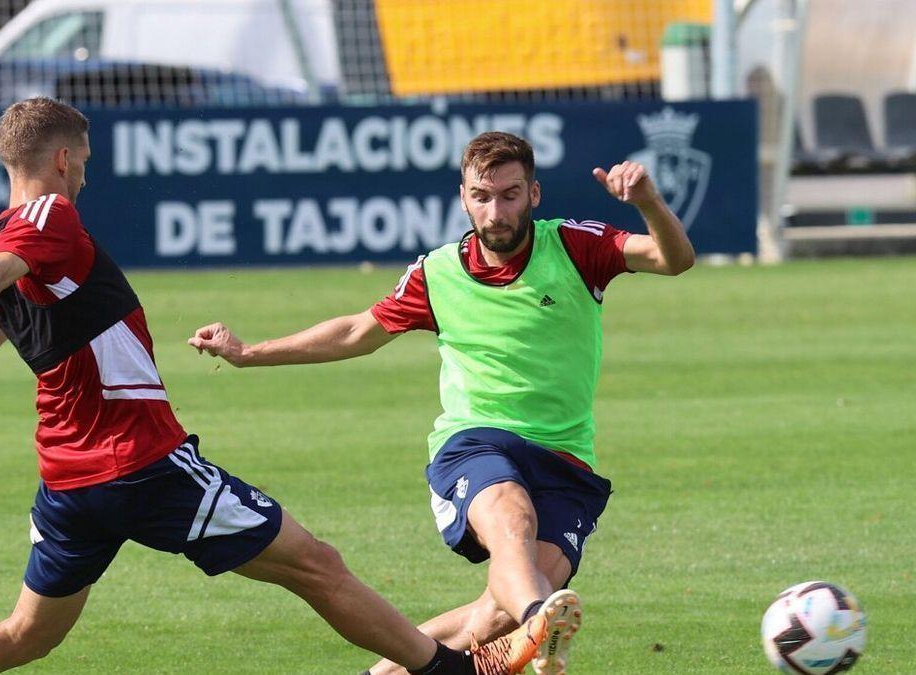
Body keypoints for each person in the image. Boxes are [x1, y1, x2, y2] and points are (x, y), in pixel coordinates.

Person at [0, 97, 526, 675]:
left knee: (26, 633)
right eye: (83, 161)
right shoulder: (48, 215)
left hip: (68, 482)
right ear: (61, 159)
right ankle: (447, 668)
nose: (83, 176)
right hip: (141, 465)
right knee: (316, 565)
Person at [188, 131, 696, 675]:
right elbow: (358, 331)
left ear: (535, 195)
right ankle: (538, 620)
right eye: (482, 196)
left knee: (491, 616)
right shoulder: (437, 272)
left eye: (510, 194)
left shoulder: (575, 246)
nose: (495, 211)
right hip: (474, 443)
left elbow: (674, 259)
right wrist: (247, 352)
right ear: (463, 198)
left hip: (565, 457)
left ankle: (413, 662)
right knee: (512, 524)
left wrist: (647, 202)